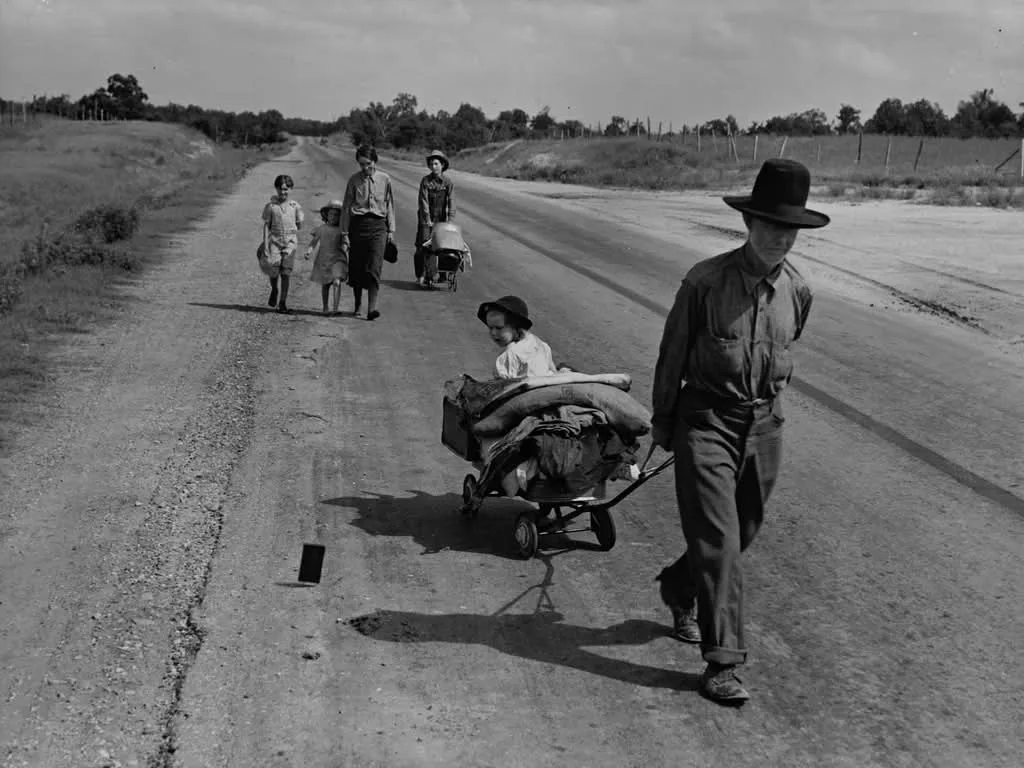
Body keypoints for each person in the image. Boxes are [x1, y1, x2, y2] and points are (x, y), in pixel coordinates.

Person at [650, 158, 830, 705]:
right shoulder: (703, 283)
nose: (780, 238)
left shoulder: (798, 290)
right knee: (721, 542)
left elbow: (787, 346)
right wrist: (663, 421)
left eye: (790, 229)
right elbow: (671, 356)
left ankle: (679, 588)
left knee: (744, 529)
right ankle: (721, 662)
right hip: (705, 421)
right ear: (748, 224)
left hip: (765, 425)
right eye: (771, 226)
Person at [340, 145, 396, 321]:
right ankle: (357, 304)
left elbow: (390, 205)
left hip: (379, 226)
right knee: (357, 268)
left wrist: (391, 230)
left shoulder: (385, 179)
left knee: (374, 268)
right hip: (358, 226)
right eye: (361, 164)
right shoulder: (353, 180)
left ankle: (372, 309)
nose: (365, 168)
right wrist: (344, 233)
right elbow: (346, 208)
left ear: (375, 161)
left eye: (368, 163)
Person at [477, 296, 571, 380]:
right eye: (490, 328)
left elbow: (500, 387)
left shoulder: (509, 355)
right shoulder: (541, 345)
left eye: (499, 328)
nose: (493, 333)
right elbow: (552, 370)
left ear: (516, 326)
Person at [260, 174, 304, 314]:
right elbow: (266, 225)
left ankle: (283, 302)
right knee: (273, 270)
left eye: (286, 189)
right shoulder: (271, 206)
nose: (283, 192)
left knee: (286, 272)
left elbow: (300, 224)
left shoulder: (295, 206)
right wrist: (266, 245)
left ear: (291, 189)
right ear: (276, 189)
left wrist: (296, 225)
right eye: (280, 189)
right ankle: (274, 289)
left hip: (290, 244)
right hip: (275, 242)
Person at [415, 149, 456, 287]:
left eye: (436, 164)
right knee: (424, 245)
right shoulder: (425, 181)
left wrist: (450, 221)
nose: (434, 167)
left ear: (442, 165)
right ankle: (422, 275)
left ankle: (441, 275)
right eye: (432, 164)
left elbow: (452, 202)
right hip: (425, 219)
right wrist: (427, 220)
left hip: (441, 219)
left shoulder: (448, 183)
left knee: (443, 247)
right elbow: (423, 201)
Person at [305, 199, 348, 315]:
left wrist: (345, 246)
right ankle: (325, 307)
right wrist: (309, 251)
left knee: (337, 281)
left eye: (337, 215)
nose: (333, 217)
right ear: (326, 215)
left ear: (341, 217)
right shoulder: (321, 229)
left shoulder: (341, 230)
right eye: (331, 214)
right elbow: (313, 242)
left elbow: (345, 242)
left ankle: (335, 308)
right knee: (325, 284)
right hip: (324, 259)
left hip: (337, 259)